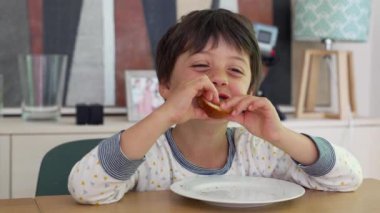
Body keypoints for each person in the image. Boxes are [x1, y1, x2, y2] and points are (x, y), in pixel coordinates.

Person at [68, 9, 362, 205]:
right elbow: (85, 188)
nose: (219, 79)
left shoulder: (260, 151)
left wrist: (280, 136)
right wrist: (165, 114)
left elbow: (348, 178)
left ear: (250, 90)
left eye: (235, 71)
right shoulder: (147, 152)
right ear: (166, 86)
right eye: (200, 65)